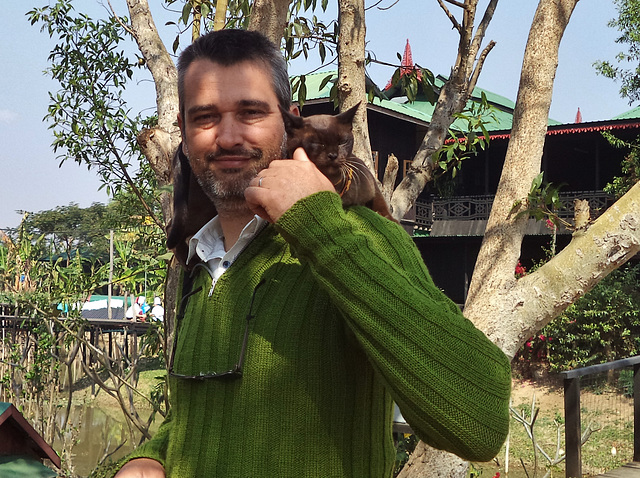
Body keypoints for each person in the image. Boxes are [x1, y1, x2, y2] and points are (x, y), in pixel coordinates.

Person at [113, 29, 511, 478]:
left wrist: (317, 226)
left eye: (250, 112)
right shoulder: (197, 261)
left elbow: (480, 424)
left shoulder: (362, 235)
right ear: (183, 134)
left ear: (291, 123)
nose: (226, 137)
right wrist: (151, 457)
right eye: (204, 118)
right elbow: (205, 415)